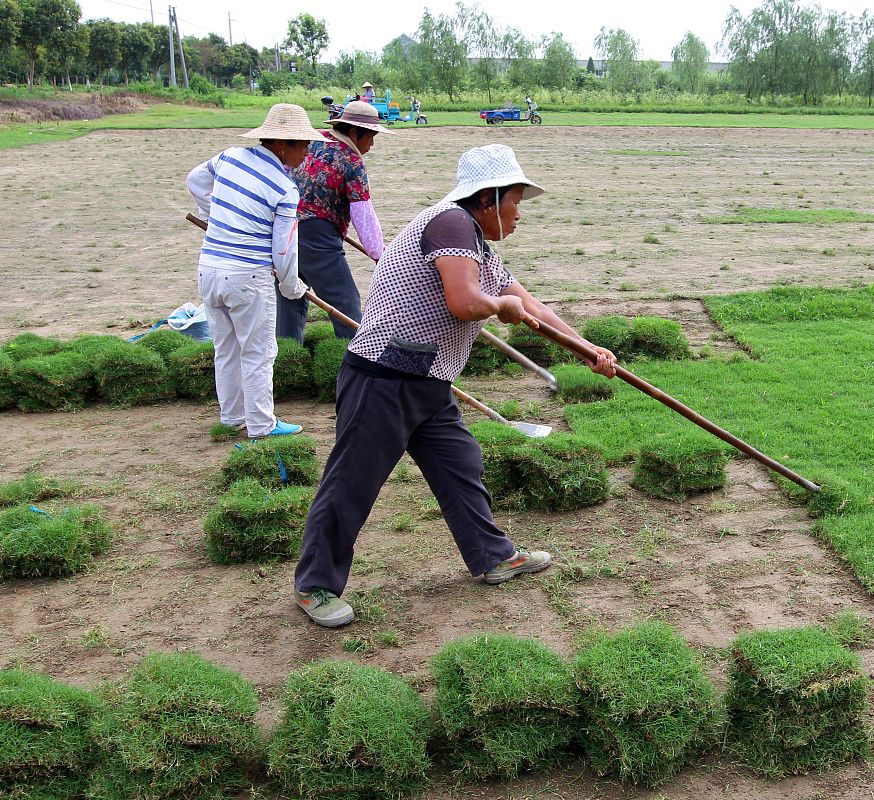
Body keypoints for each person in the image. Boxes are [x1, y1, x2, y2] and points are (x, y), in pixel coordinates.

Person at [292, 143, 617, 627]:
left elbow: (533, 307)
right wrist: (498, 308)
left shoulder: (479, 245)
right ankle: (314, 585)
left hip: (426, 379)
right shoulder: (450, 223)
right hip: (383, 377)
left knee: (460, 465)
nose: (518, 214)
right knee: (352, 482)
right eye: (516, 202)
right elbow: (465, 302)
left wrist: (588, 350)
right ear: (488, 198)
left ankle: (492, 556)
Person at [186, 103, 321, 438]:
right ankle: (261, 425)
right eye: (302, 144)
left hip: (210, 270)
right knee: (259, 352)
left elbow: (195, 180)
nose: (307, 151)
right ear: (280, 144)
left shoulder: (230, 156)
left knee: (226, 348)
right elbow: (284, 250)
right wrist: (292, 287)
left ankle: (232, 418)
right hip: (248, 277)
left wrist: (216, 212)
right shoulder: (284, 188)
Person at [277, 101, 391, 343]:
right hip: (317, 235)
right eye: (370, 137)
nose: (371, 144)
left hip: (283, 229)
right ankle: (357, 362)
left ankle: (287, 358)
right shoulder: (351, 160)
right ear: (353, 132)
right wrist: (379, 254)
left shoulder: (313, 139)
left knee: (292, 296)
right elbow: (363, 213)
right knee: (345, 302)